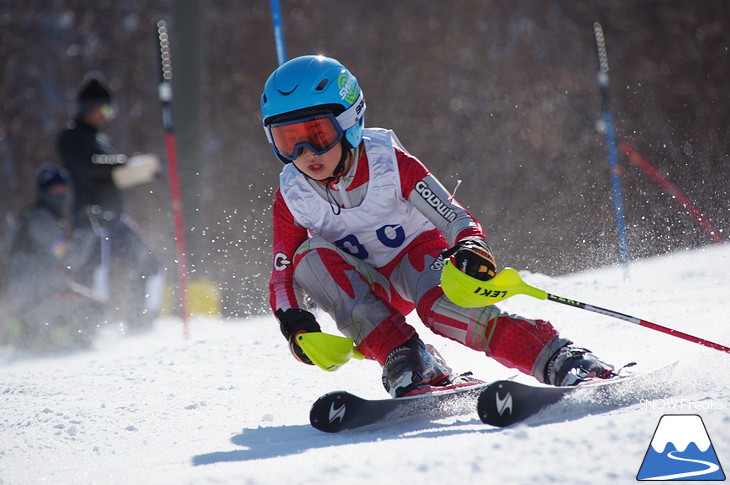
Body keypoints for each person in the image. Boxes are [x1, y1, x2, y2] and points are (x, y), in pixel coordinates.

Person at [261, 55, 616, 398]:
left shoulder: (388, 163)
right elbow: (282, 273)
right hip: (368, 287)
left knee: (445, 308)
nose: (306, 153)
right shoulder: (293, 194)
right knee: (307, 257)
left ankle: (556, 356)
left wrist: (470, 245)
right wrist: (295, 322)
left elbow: (452, 214)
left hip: (420, 260)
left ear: (349, 122)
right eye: (288, 141)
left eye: (317, 134)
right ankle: (410, 359)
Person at [56, 74, 164, 331]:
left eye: (110, 109)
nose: (107, 115)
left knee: (148, 263)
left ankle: (140, 325)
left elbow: (108, 170)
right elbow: (87, 168)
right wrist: (122, 162)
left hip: (114, 219)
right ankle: (85, 332)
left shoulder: (98, 139)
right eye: (104, 109)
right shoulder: (70, 138)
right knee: (93, 278)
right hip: (90, 221)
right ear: (88, 108)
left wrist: (140, 169)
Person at [7, 165, 102, 352]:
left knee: (91, 302)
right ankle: (54, 341)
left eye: (65, 190)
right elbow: (70, 258)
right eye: (56, 190)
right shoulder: (40, 221)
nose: (62, 196)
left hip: (33, 300)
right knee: (94, 308)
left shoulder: (32, 217)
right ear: (44, 192)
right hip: (38, 301)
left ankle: (43, 336)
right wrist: (90, 231)